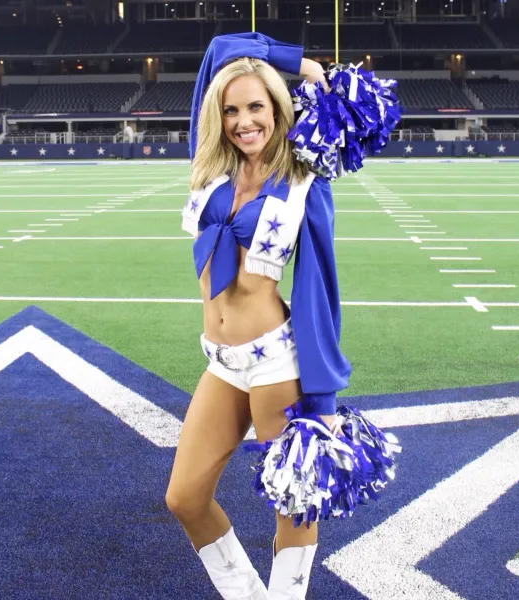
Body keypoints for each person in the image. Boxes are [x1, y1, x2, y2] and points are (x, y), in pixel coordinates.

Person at [166, 32, 398, 600]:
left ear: (279, 109)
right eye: (232, 109)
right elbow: (220, 46)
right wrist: (305, 63)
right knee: (185, 498)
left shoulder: (302, 185)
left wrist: (320, 405)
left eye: (257, 107)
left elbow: (320, 292)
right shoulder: (209, 168)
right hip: (221, 362)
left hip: (276, 364)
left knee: (295, 501)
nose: (244, 121)